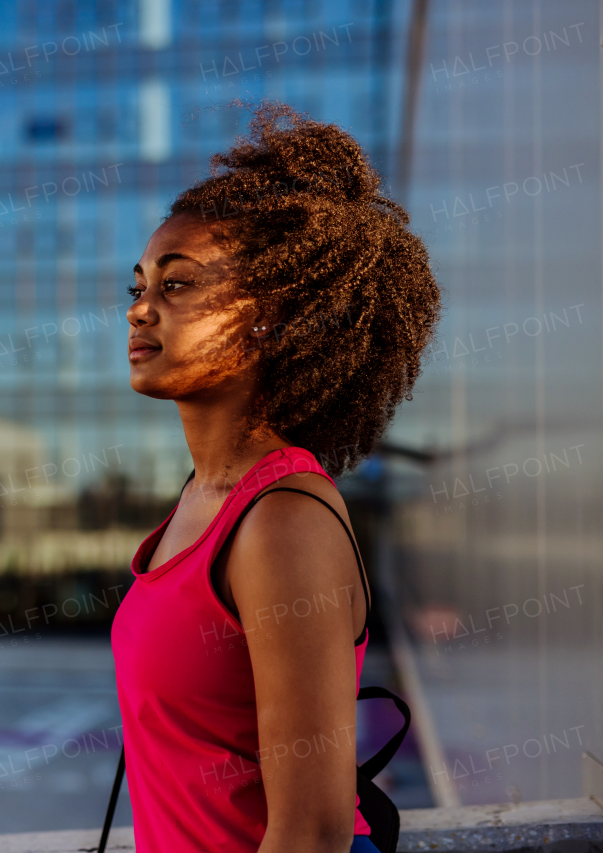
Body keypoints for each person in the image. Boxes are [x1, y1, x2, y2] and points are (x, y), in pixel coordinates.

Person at [111, 101, 440, 853]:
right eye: (137, 287)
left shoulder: (282, 520)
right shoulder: (200, 501)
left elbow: (313, 833)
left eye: (178, 285)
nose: (139, 311)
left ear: (266, 319)